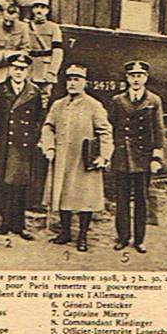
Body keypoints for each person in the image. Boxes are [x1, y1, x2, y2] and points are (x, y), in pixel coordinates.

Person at [40, 64, 114, 252]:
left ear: (84, 83)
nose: (72, 84)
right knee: (62, 195)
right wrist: (49, 147)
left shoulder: (93, 105)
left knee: (84, 198)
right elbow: (48, 127)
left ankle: (82, 236)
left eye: (77, 80)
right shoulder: (58, 105)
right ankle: (65, 232)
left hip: (84, 160)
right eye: (70, 80)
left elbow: (105, 132)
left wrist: (103, 156)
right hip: (62, 159)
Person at [0, 52, 43, 240]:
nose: (19, 72)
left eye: (23, 69)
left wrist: (35, 138)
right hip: (4, 144)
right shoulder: (0, 90)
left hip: (24, 146)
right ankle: (5, 222)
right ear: (10, 69)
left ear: (28, 71)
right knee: (4, 184)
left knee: (21, 186)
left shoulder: (34, 92)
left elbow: (39, 120)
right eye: (16, 68)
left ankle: (20, 225)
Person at [109, 60, 165, 254]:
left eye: (139, 76)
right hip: (122, 156)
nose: (136, 79)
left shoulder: (154, 101)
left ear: (146, 78)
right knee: (122, 200)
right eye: (132, 76)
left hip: (143, 157)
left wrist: (156, 157)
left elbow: (158, 130)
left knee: (141, 200)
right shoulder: (117, 100)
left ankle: (139, 240)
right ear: (127, 78)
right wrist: (109, 153)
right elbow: (111, 127)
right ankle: (122, 238)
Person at [28, 0, 64, 108]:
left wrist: (52, 71)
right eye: (36, 7)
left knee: (44, 99)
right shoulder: (25, 26)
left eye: (43, 8)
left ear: (47, 10)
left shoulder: (53, 28)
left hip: (45, 67)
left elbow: (58, 51)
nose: (39, 10)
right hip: (29, 67)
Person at [0, 4, 30, 87]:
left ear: (17, 17)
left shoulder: (23, 27)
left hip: (15, 68)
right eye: (6, 20)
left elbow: (26, 49)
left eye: (11, 21)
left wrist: (15, 56)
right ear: (3, 15)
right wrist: (4, 55)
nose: (7, 23)